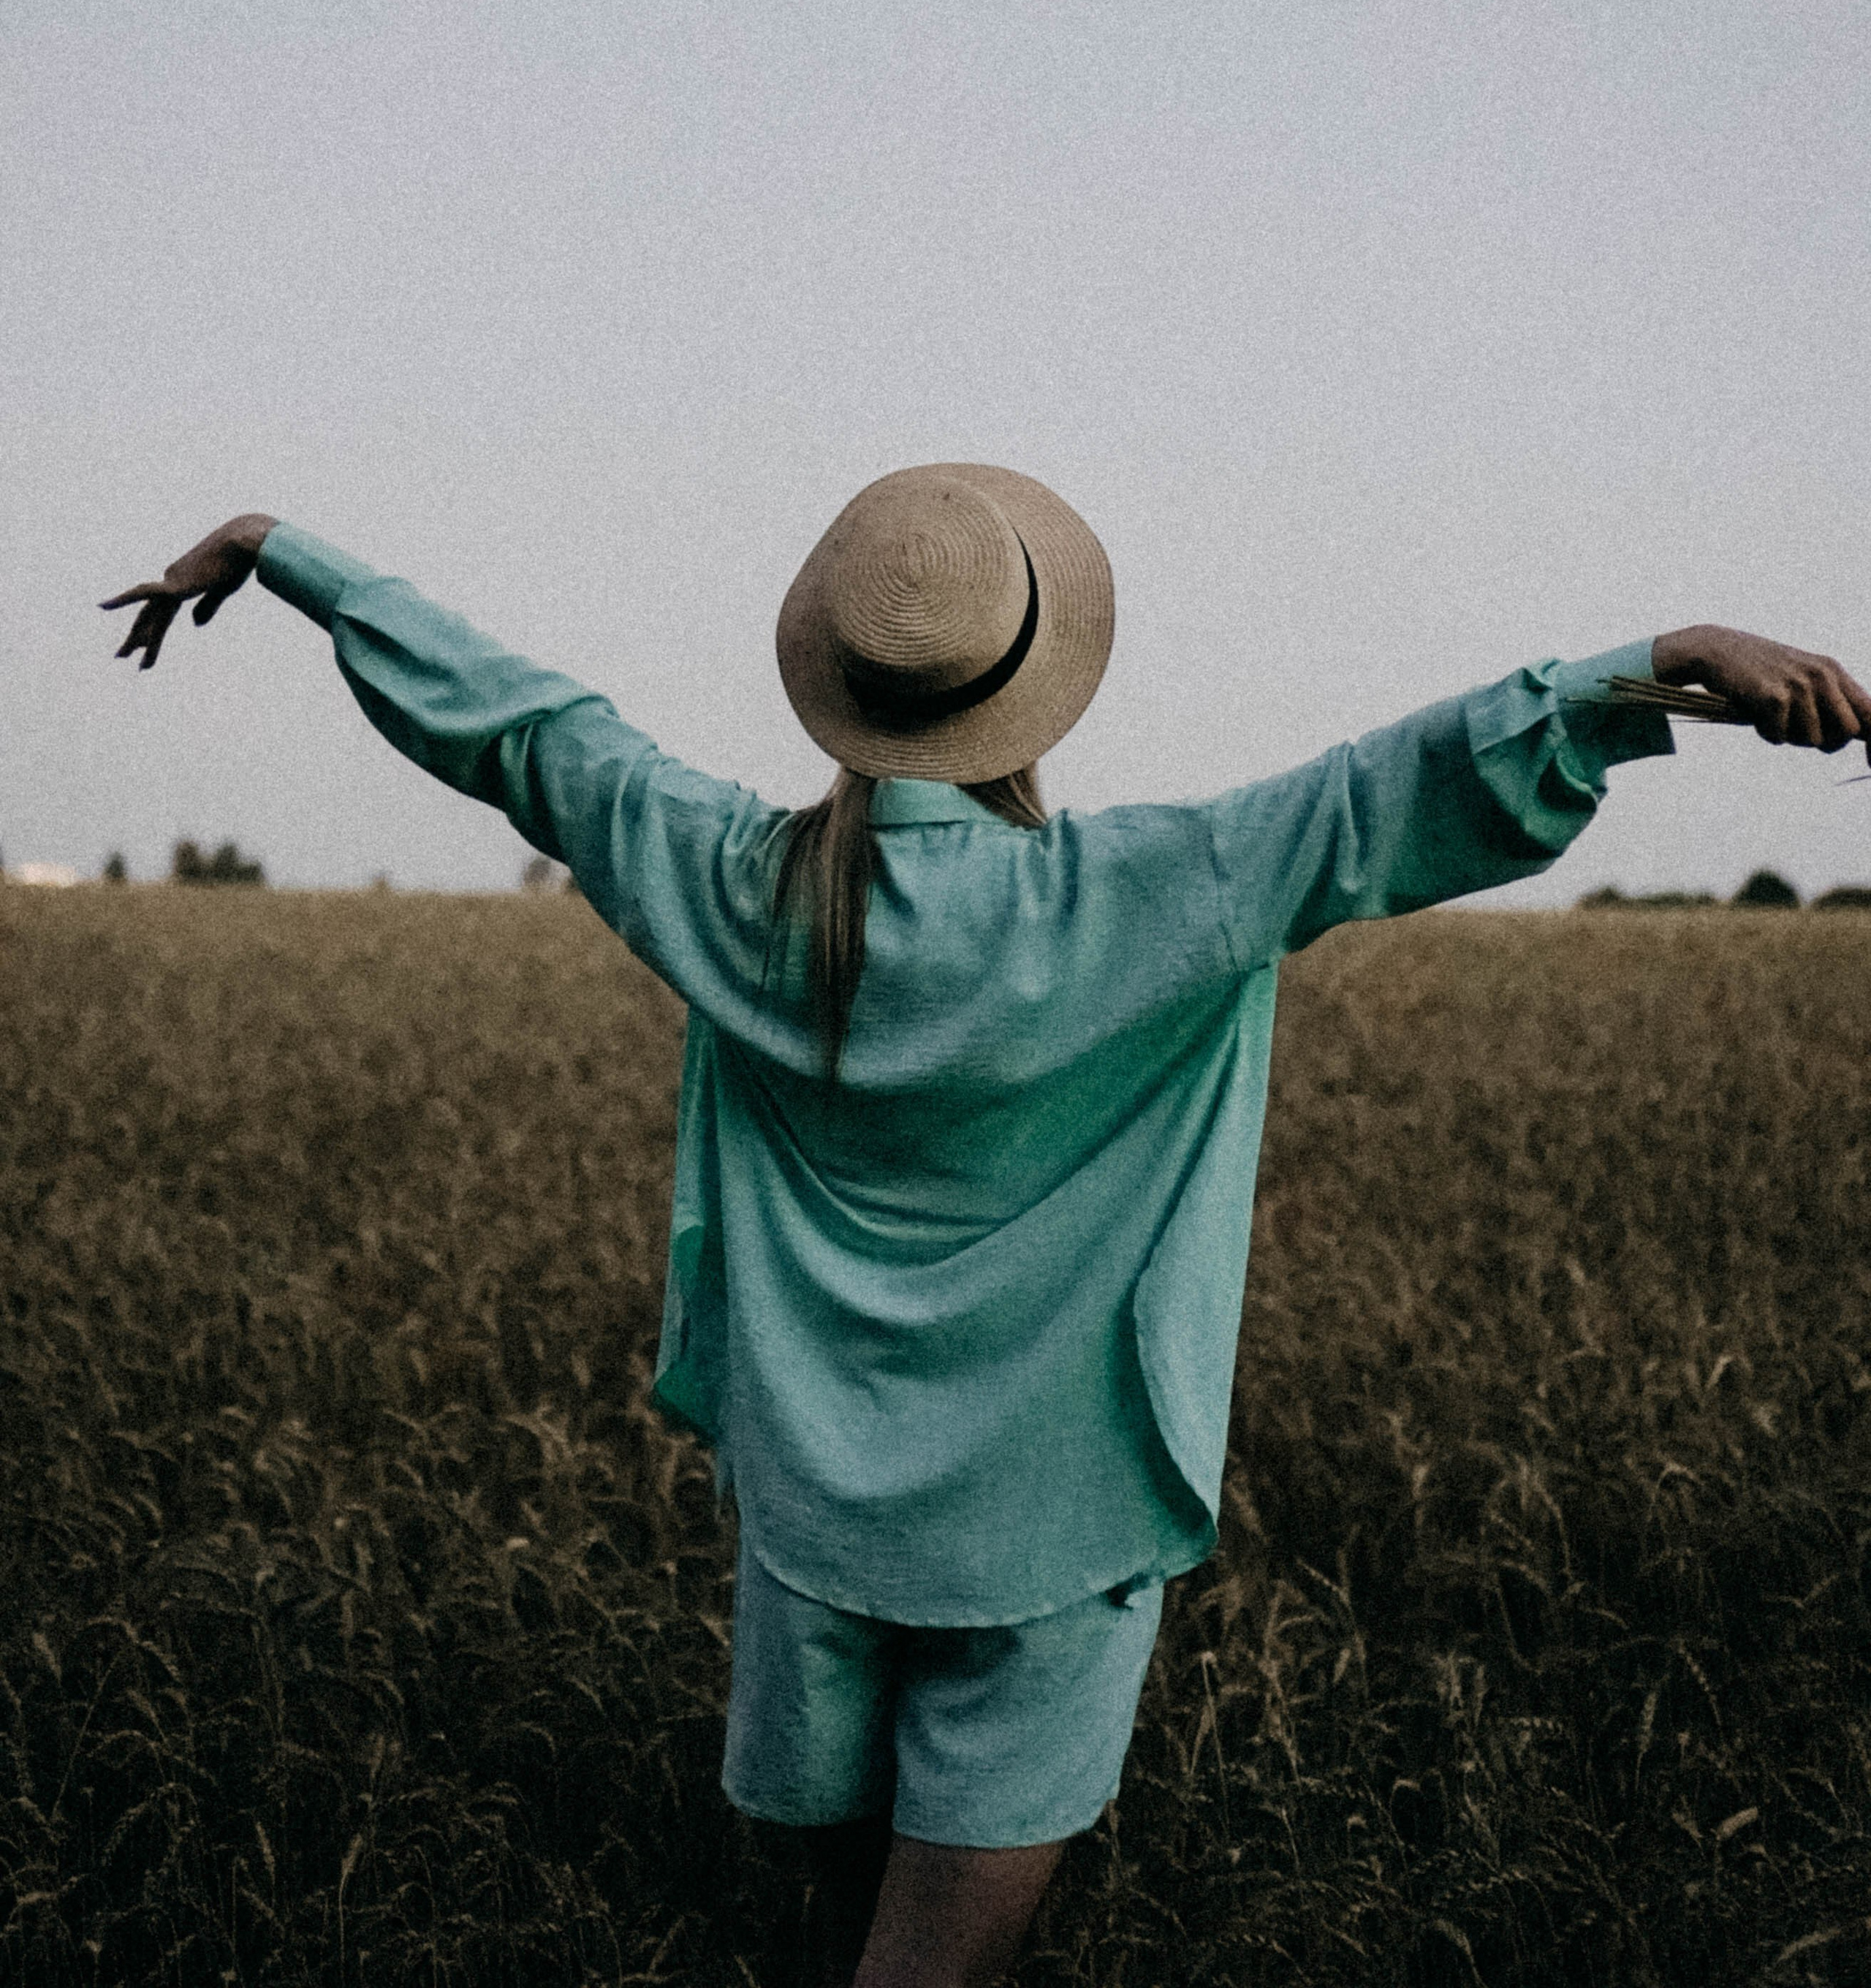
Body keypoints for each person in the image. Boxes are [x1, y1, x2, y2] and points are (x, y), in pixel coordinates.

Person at [105, 466, 1870, 1988]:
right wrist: (1656, 665)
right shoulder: (1145, 892)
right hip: (1057, 1516)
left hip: (808, 1510)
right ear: (1034, 688)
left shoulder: (724, 876)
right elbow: (1388, 787)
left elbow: (526, 732)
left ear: (842, 686)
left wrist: (282, 553)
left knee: (821, 1924)